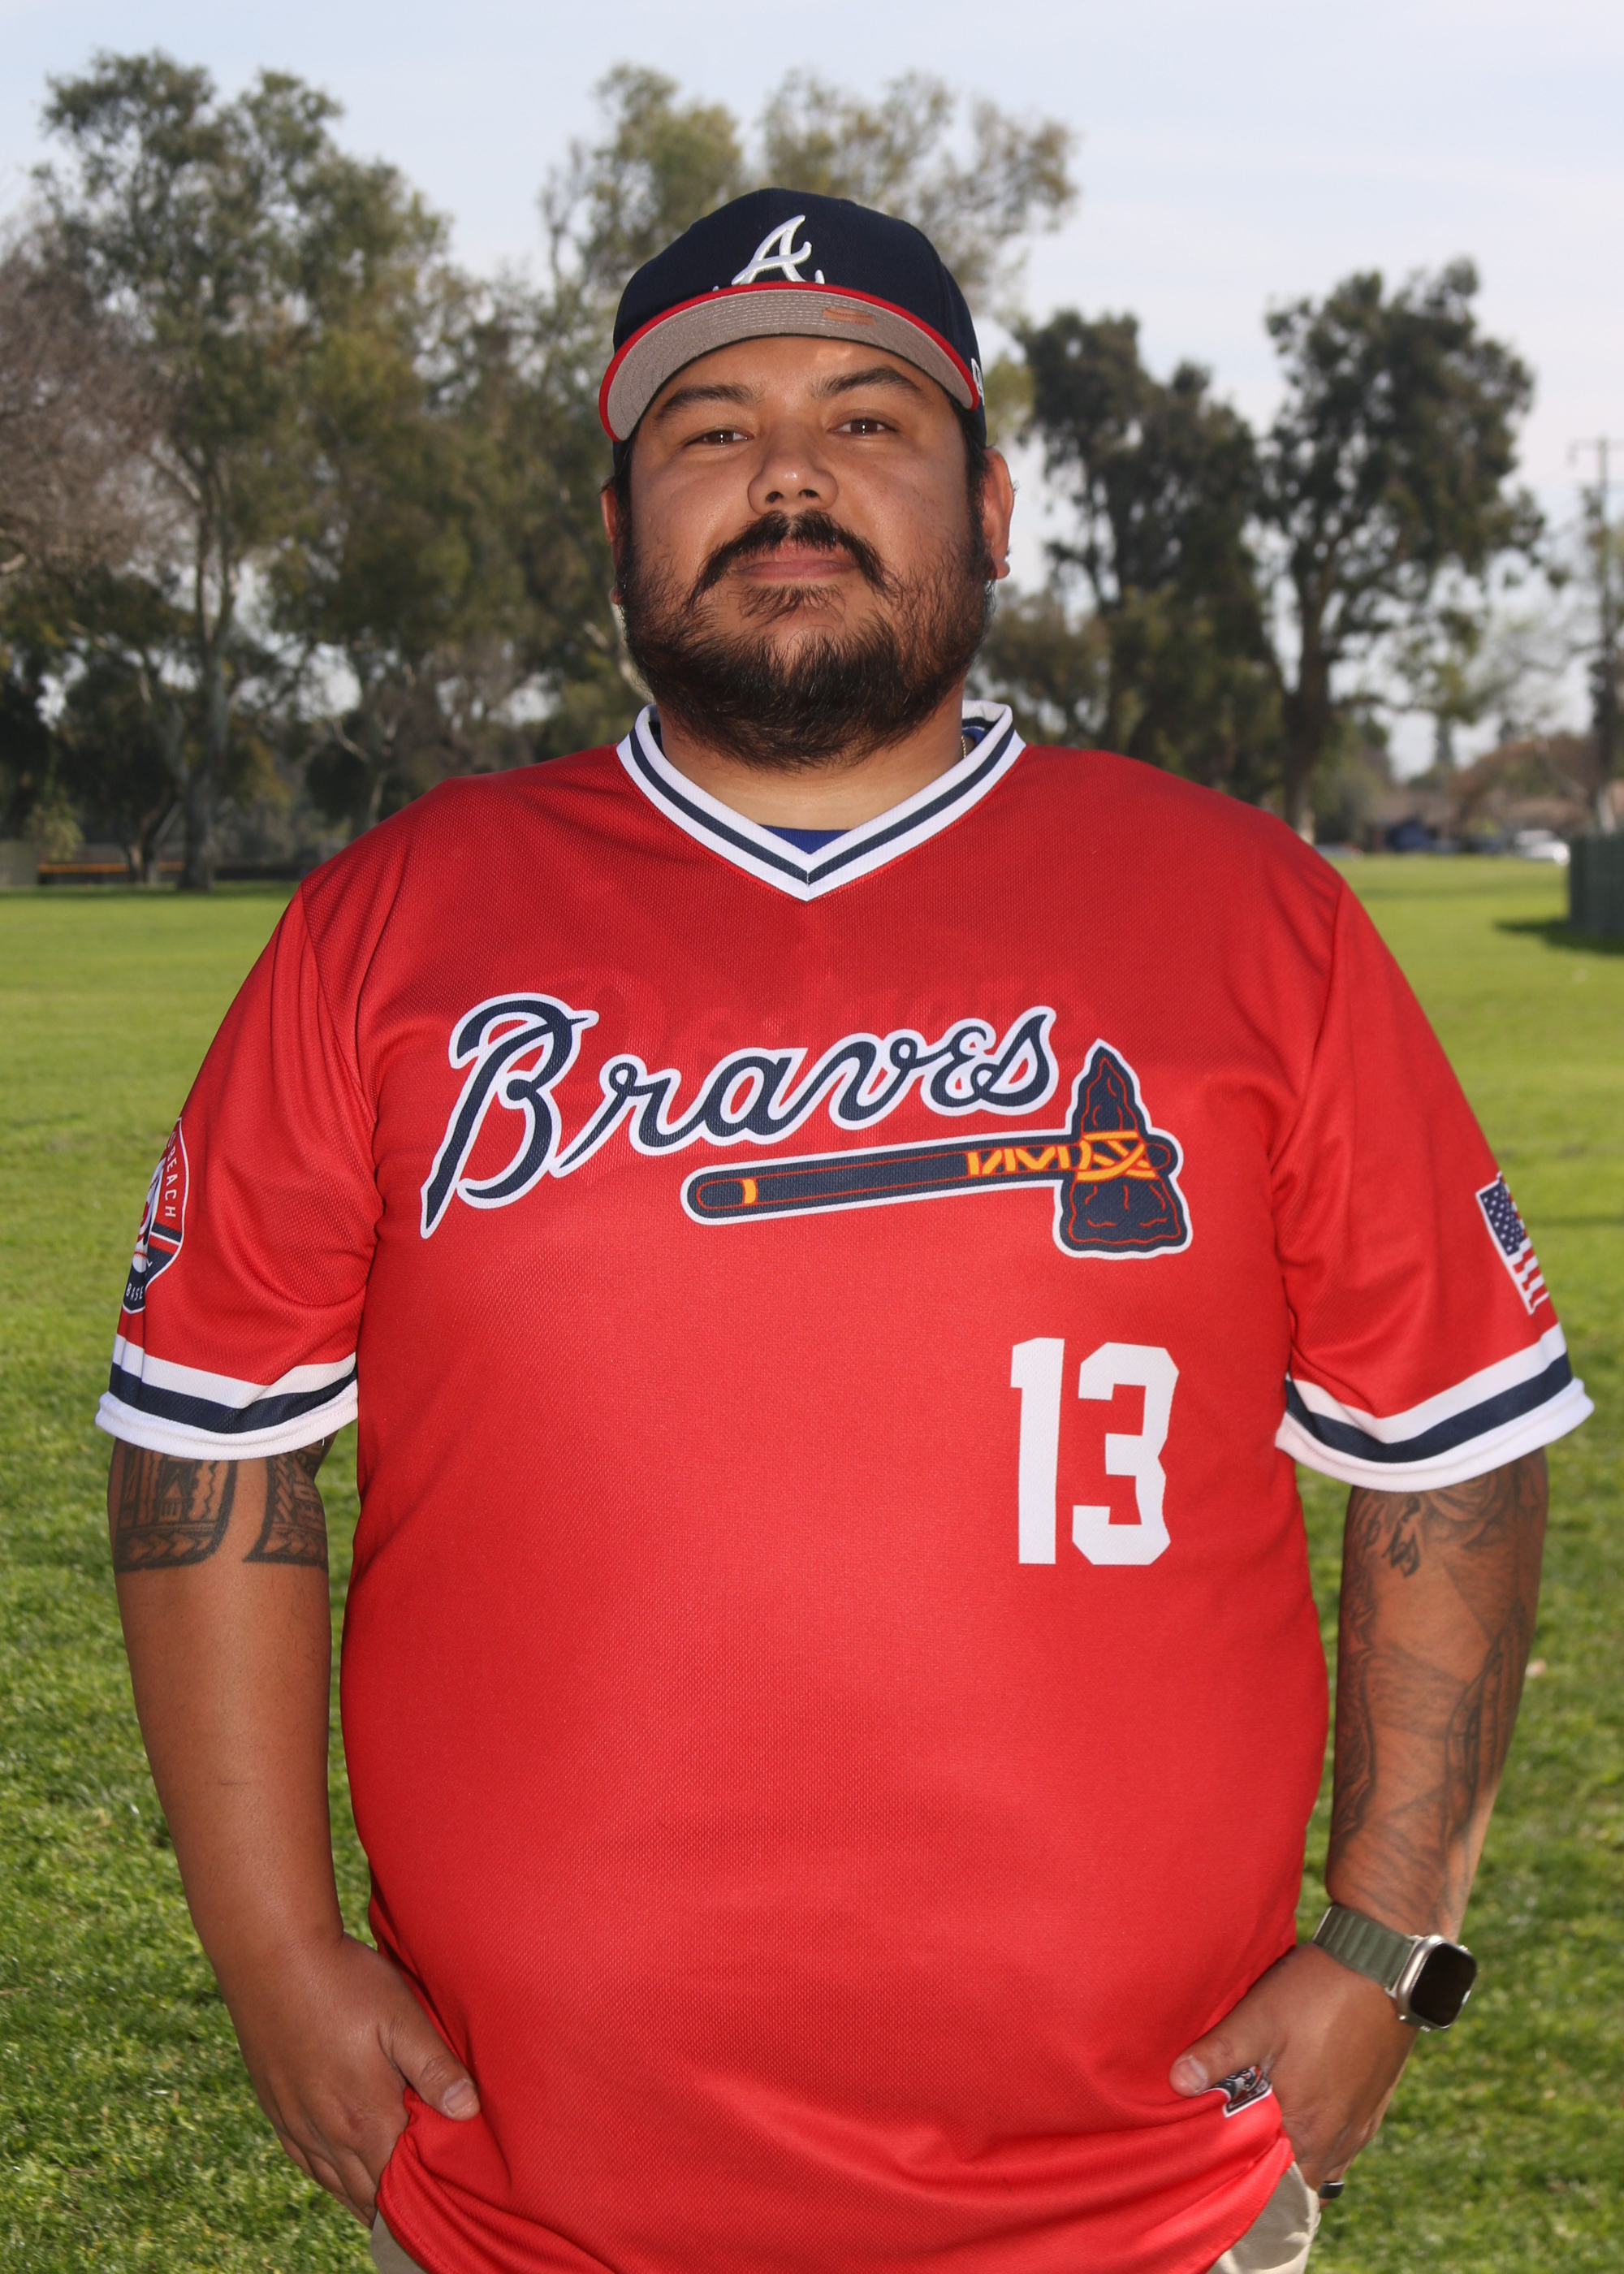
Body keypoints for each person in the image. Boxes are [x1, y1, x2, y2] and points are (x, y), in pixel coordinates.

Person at [99, 191, 1589, 2274]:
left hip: (1129, 2199)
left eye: (866, 419)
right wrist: (269, 1945)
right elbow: (207, 1436)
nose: (787, 475)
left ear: (990, 506)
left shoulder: (1252, 914)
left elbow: (1452, 1443)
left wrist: (1391, 1930)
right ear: (614, 524)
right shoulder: (398, 920)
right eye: (710, 429)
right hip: (530, 2195)